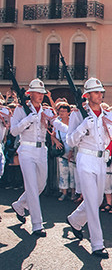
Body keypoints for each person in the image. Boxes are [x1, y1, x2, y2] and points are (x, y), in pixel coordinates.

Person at [66, 78, 112, 258]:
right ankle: (97, 244)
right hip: (85, 158)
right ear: (87, 95)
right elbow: (70, 140)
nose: (100, 95)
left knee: (97, 199)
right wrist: (84, 126)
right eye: (96, 92)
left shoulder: (107, 115)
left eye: (101, 92)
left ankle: (75, 220)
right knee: (93, 203)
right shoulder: (78, 114)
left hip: (101, 160)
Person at [10, 79, 56, 236]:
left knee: (40, 185)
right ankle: (37, 224)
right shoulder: (21, 110)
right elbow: (14, 131)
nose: (41, 96)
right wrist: (27, 119)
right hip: (26, 149)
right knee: (31, 186)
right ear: (30, 94)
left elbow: (55, 121)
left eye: (42, 93)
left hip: (42, 149)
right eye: (38, 93)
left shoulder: (46, 110)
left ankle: (19, 205)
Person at [51, 103, 76, 202]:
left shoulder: (73, 122)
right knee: (63, 172)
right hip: (61, 151)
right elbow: (52, 135)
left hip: (72, 151)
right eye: (60, 111)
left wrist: (72, 150)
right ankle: (64, 192)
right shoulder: (57, 122)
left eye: (64, 111)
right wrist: (56, 142)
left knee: (73, 173)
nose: (61, 113)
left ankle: (73, 192)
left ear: (68, 112)